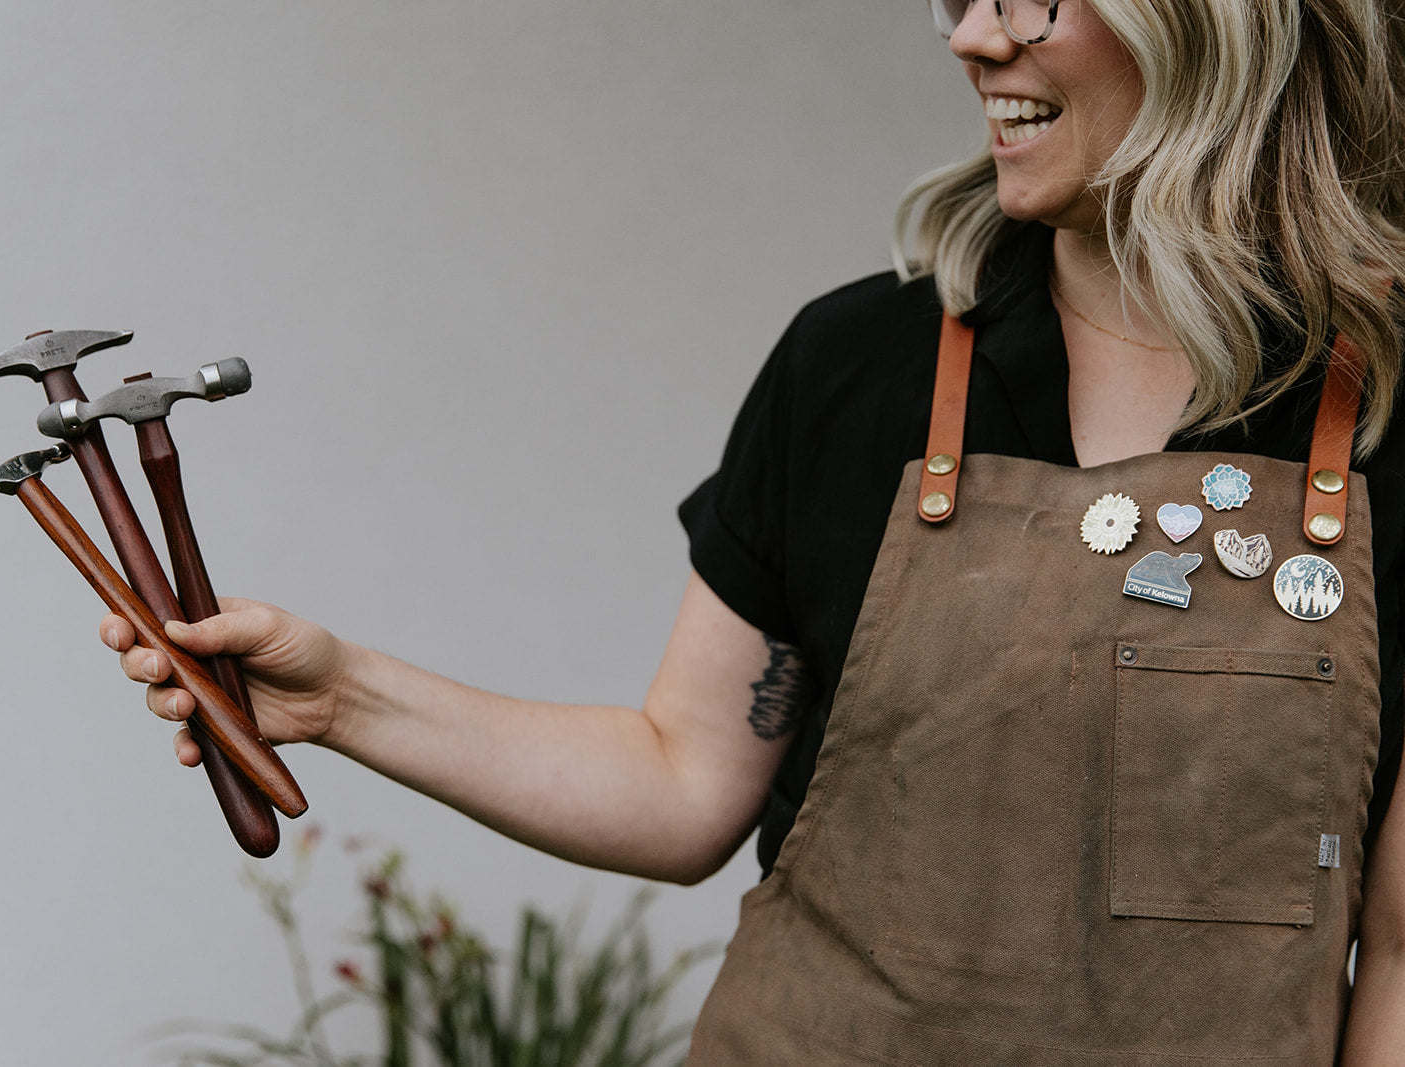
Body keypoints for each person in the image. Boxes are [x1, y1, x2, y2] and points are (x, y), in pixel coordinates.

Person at [100, 0, 1405, 1060]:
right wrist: (343, 698)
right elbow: (681, 782)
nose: (970, 35)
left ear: (1214, 24)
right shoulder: (855, 366)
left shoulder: (1394, 414)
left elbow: (1395, 957)